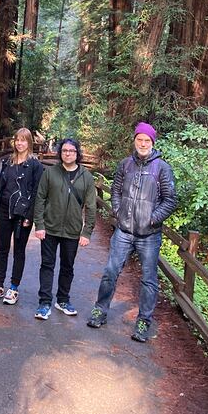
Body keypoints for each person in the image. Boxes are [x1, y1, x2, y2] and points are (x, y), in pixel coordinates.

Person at [87, 122, 177, 342]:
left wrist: (153, 218)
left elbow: (171, 199)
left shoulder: (162, 168)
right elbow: (116, 190)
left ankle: (144, 321)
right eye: (140, 139)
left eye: (147, 140)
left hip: (150, 234)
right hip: (124, 231)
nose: (143, 143)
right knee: (110, 271)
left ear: (153, 142)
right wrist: (117, 211)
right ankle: (100, 310)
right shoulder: (125, 165)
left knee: (148, 279)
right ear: (134, 141)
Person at [33, 137, 96, 320]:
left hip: (72, 230)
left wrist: (87, 232)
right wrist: (40, 224)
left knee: (67, 266)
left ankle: (63, 300)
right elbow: (40, 199)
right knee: (47, 265)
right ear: (60, 153)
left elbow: (91, 206)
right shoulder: (50, 173)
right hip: (50, 228)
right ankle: (44, 302)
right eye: (65, 151)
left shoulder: (86, 177)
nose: (68, 154)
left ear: (77, 153)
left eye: (72, 151)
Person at [0, 128, 44, 305]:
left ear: (29, 143)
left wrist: (30, 216)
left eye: (23, 140)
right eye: (17, 140)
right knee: (2, 249)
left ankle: (13, 287)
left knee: (19, 251)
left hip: (22, 214)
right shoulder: (7, 162)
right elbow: (2, 187)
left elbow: (36, 192)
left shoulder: (35, 166)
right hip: (5, 210)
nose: (20, 143)